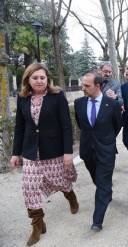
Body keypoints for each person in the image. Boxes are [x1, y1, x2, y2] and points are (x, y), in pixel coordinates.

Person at [10, 63, 78, 246]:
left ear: (47, 79)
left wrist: (67, 152)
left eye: (42, 77)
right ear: (28, 80)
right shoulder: (23, 98)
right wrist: (15, 153)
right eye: (35, 77)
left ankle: (70, 195)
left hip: (54, 150)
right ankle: (37, 225)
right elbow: (19, 127)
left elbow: (66, 125)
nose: (39, 81)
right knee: (29, 188)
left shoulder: (57, 96)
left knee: (61, 180)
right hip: (31, 152)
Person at [74, 70, 122, 232]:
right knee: (98, 180)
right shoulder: (79, 103)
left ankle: (97, 221)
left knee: (101, 183)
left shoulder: (112, 104)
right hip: (87, 151)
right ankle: (107, 191)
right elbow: (82, 126)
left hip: (106, 151)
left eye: (86, 85)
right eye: (82, 85)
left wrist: (106, 140)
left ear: (98, 86)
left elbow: (117, 126)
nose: (83, 88)